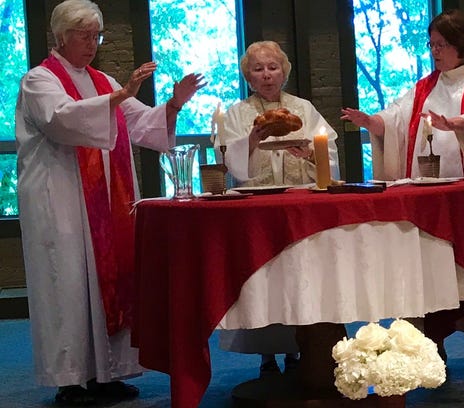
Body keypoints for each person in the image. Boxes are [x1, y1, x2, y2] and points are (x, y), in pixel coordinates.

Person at [15, 0, 205, 405]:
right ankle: (71, 379)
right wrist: (120, 96)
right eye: (83, 35)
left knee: (113, 278)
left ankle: (109, 374)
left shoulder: (101, 80)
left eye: (95, 36)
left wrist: (173, 105)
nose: (92, 44)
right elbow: (61, 120)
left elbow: (141, 124)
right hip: (62, 199)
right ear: (60, 36)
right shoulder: (39, 80)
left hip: (107, 201)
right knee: (68, 283)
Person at [341, 9, 464, 375]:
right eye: (431, 45)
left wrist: (460, 122)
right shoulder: (427, 85)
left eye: (441, 45)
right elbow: (397, 116)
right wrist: (374, 123)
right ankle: (432, 344)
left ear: (461, 44)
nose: (435, 52)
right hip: (431, 201)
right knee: (431, 270)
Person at [217, 40, 340, 376]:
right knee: (265, 277)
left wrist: (310, 153)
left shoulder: (303, 108)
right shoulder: (238, 114)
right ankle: (266, 355)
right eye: (258, 69)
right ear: (248, 76)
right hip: (259, 207)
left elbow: (327, 148)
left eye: (273, 67)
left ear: (284, 71)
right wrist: (253, 139)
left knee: (299, 277)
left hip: (299, 206)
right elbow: (229, 160)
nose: (267, 75)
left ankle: (299, 348)